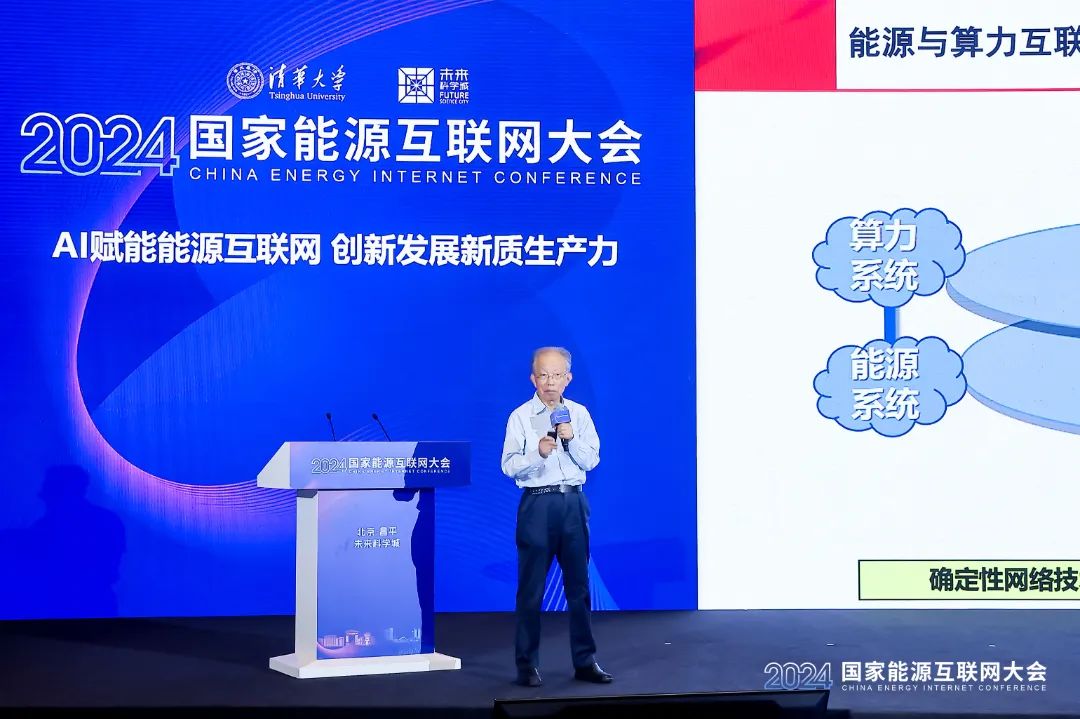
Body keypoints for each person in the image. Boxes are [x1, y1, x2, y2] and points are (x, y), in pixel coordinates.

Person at [501, 346, 612, 687]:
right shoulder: (520, 416)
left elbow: (591, 460)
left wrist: (571, 440)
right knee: (531, 589)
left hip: (573, 503)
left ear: (568, 378)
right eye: (543, 375)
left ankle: (585, 661)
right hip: (537, 504)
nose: (550, 382)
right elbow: (508, 466)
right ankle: (526, 665)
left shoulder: (578, 414)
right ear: (533, 378)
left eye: (557, 375)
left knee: (579, 588)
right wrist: (537, 453)